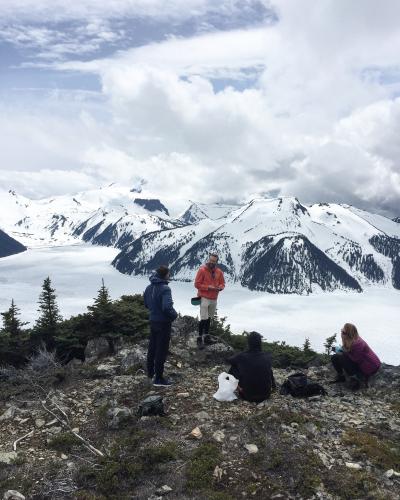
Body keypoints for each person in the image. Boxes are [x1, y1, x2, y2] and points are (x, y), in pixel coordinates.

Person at [144, 265, 178, 387]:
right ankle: (159, 379)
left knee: (152, 348)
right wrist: (174, 315)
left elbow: (146, 304)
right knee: (161, 350)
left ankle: (150, 374)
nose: (170, 276)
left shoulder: (149, 287)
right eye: (169, 274)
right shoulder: (165, 289)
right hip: (163, 323)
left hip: (153, 321)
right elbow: (167, 307)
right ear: (165, 275)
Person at [227, 332, 276, 403]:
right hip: (266, 395)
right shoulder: (268, 356)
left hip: (247, 395)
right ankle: (273, 387)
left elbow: (229, 360)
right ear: (260, 343)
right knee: (266, 368)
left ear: (249, 342)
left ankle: (239, 388)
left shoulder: (242, 356)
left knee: (233, 367)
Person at [330, 323, 381, 389]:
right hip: (362, 363)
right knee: (335, 357)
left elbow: (356, 359)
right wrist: (341, 351)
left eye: (343, 332)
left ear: (349, 334)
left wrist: (343, 352)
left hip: (370, 366)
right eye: (341, 331)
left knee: (342, 357)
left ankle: (357, 380)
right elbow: (349, 352)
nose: (341, 334)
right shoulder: (350, 340)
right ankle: (341, 377)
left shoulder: (358, 343)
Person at [194, 253, 225, 347]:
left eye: (214, 261)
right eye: (211, 260)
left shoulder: (219, 272)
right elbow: (196, 284)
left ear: (216, 262)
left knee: (209, 318)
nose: (212, 262)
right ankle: (199, 338)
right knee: (204, 318)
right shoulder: (202, 270)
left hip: (214, 298)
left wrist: (221, 287)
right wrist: (208, 287)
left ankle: (206, 337)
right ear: (208, 260)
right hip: (204, 297)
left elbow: (223, 283)